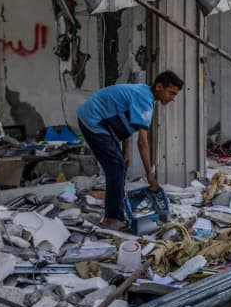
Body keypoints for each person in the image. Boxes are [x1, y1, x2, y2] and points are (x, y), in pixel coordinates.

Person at [77, 71, 184, 229]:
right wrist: (150, 176)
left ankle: (118, 215)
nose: (172, 98)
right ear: (159, 86)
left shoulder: (146, 95)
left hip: (100, 121)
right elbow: (142, 143)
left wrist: (125, 151)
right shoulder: (145, 99)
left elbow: (125, 122)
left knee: (119, 164)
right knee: (116, 166)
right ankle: (111, 218)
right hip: (93, 119)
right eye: (171, 93)